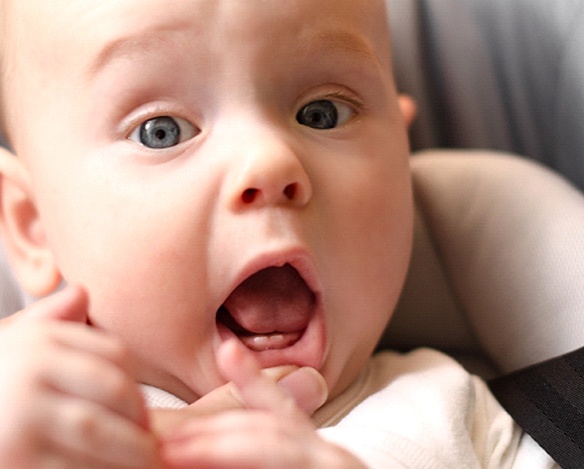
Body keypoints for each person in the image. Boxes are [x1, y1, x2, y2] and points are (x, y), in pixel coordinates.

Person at [0, 0, 557, 467]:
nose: (269, 162)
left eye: (321, 113)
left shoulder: (455, 412)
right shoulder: (40, 426)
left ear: (400, 155)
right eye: (160, 131)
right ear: (32, 225)